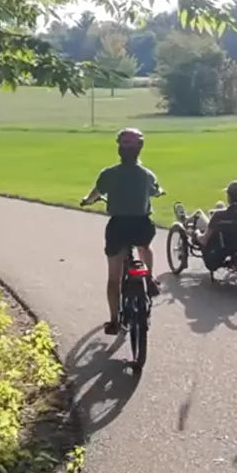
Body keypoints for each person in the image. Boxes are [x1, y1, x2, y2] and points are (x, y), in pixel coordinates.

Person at [80, 127, 164, 335]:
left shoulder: (109, 174)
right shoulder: (147, 175)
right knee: (145, 247)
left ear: (119, 149)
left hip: (118, 227)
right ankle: (149, 277)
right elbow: (156, 190)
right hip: (142, 225)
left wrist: (87, 201)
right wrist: (159, 192)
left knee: (114, 277)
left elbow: (95, 194)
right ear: (140, 149)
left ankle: (114, 320)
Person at [194, 180, 237, 270]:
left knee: (198, 214)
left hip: (219, 251)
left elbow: (204, 240)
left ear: (230, 198)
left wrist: (197, 234)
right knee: (220, 205)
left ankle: (185, 221)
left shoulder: (219, 215)